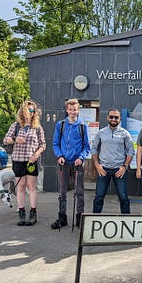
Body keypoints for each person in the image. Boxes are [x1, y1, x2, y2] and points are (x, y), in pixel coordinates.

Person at [3, 100, 46, 226]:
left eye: (32, 110)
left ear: (34, 113)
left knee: (31, 187)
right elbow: (6, 140)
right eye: (27, 109)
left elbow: (43, 144)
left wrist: (36, 154)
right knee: (20, 187)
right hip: (18, 160)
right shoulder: (15, 126)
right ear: (22, 111)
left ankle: (33, 213)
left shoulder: (37, 128)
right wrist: (15, 139)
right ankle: (21, 213)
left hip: (32, 161)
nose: (30, 112)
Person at [50, 98, 90, 229]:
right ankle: (62, 218)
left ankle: (80, 218)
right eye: (70, 109)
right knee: (62, 192)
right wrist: (59, 156)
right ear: (67, 110)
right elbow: (55, 143)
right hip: (64, 163)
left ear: (78, 110)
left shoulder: (83, 127)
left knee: (79, 193)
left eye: (75, 110)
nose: (73, 112)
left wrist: (81, 157)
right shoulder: (60, 125)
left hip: (77, 163)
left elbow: (86, 147)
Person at [91, 109, 134, 214]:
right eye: (111, 117)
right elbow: (94, 149)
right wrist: (97, 166)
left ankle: (126, 221)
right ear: (107, 118)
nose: (113, 119)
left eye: (116, 117)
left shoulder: (125, 134)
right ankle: (94, 221)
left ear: (119, 119)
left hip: (119, 170)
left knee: (123, 197)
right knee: (99, 197)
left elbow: (131, 151)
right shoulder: (100, 133)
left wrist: (125, 166)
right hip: (103, 169)